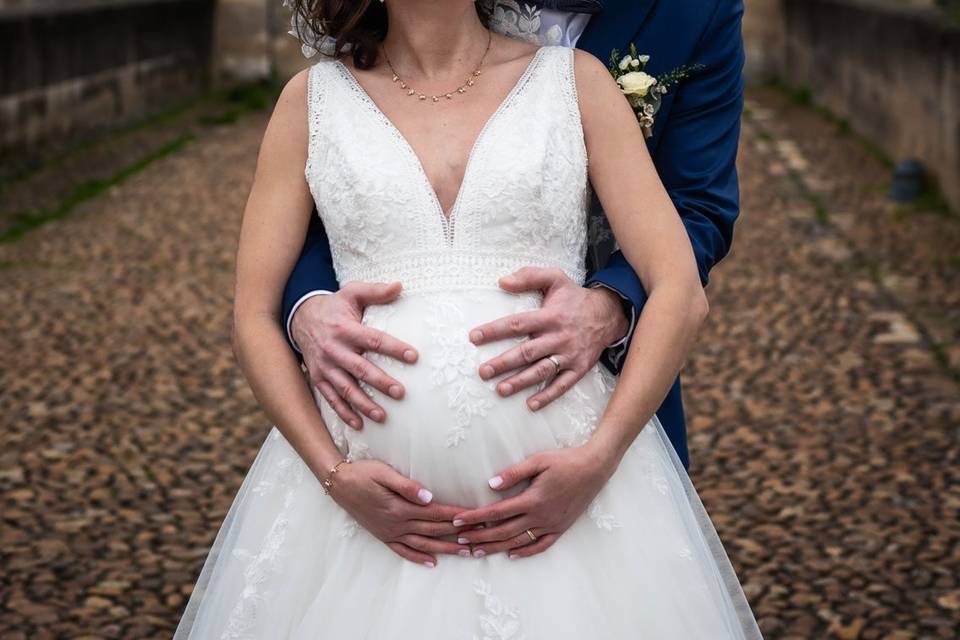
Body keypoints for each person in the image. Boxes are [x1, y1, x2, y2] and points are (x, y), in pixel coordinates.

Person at [175, 0, 762, 637]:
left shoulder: (581, 80)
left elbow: (679, 282)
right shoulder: (309, 101)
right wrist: (334, 474)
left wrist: (599, 457)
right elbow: (252, 313)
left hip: (573, 499)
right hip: (358, 516)